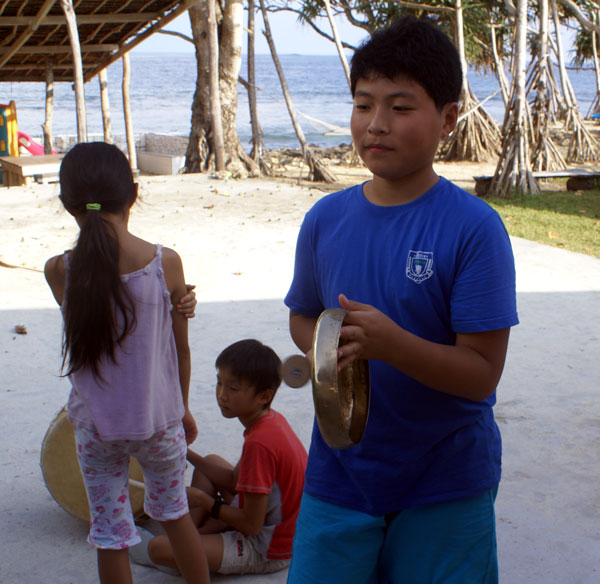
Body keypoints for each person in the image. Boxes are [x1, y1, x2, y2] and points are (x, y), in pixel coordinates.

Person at [284, 15, 519, 584]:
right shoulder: (325, 219)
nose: (377, 125)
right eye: (363, 105)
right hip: (340, 473)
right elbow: (303, 315)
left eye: (401, 107)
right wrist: (332, 345)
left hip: (445, 481)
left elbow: (481, 373)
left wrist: (392, 345)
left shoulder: (473, 229)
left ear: (448, 118)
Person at [44, 142, 209, 584]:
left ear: (67, 205)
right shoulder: (165, 265)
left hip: (95, 430)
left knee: (111, 534)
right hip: (158, 422)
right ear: (133, 193)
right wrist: (183, 408)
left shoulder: (59, 270)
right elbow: (181, 350)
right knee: (175, 517)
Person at [132, 339, 308, 576]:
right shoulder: (269, 422)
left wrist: (205, 502)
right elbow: (236, 481)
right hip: (278, 524)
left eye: (233, 389)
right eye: (219, 383)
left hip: (267, 548)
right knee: (211, 462)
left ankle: (186, 552)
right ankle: (193, 538)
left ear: (264, 396)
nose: (221, 395)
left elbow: (251, 525)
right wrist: (183, 451)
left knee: (158, 548)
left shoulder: (260, 444)